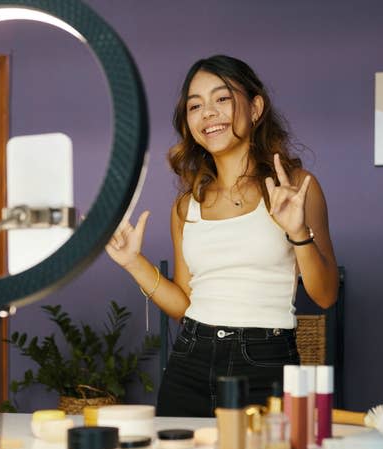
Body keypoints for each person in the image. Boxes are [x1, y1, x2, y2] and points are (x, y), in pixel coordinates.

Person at [105, 55, 338, 417]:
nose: (207, 113)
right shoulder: (187, 205)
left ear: (256, 107)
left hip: (266, 363)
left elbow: (325, 296)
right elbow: (185, 306)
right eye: (195, 105)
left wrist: (297, 232)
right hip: (189, 361)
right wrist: (133, 263)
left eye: (222, 99)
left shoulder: (296, 187)